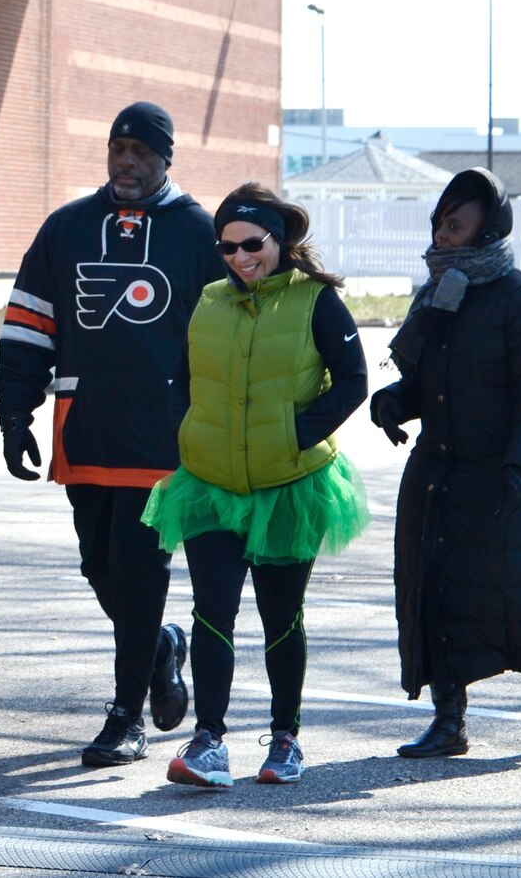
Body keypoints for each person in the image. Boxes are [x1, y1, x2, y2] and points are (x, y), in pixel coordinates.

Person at [0, 102, 226, 766]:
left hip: (164, 442)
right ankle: (157, 647)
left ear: (166, 158)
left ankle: (126, 717)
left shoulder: (199, 234)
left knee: (140, 571)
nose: (126, 161)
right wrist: (15, 414)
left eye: (140, 151)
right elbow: (28, 326)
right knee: (100, 568)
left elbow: (225, 341)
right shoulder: (67, 228)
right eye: (116, 147)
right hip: (86, 431)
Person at [143, 184, 369, 788]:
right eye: (227, 247)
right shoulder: (209, 301)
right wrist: (186, 431)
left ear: (280, 241)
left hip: (289, 485)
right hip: (211, 483)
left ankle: (285, 739)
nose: (241, 257)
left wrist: (294, 435)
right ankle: (209, 742)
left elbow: (352, 382)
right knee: (212, 612)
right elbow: (182, 379)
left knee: (281, 617)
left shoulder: (316, 301)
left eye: (252, 245)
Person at [371, 167, 521, 758]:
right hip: (438, 479)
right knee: (437, 599)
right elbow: (424, 379)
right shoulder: (437, 294)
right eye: (440, 222)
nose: (443, 234)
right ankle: (448, 720)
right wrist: (393, 403)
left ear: (488, 231)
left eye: (456, 225)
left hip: (505, 480)